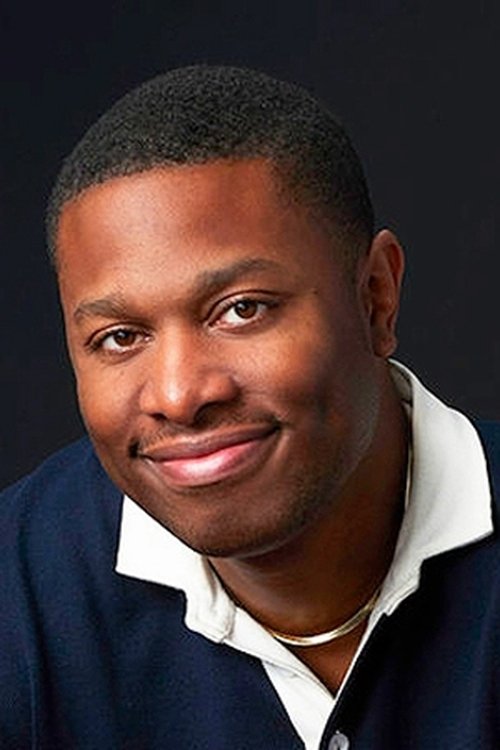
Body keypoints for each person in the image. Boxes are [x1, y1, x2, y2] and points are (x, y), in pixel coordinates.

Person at [1, 65, 499, 750]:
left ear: (376, 298)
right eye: (120, 337)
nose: (179, 396)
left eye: (241, 310)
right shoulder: (17, 594)